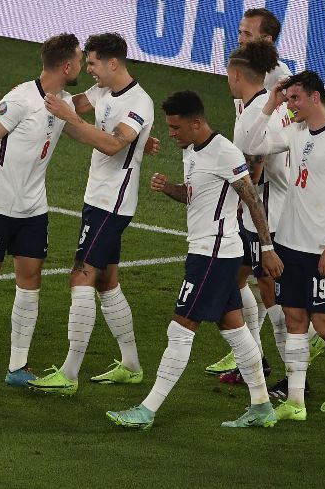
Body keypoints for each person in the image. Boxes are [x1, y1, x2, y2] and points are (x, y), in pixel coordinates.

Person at [106, 91, 283, 430]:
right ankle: (261, 405)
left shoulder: (224, 152)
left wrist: (268, 247)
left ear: (196, 123)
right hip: (211, 252)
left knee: (180, 329)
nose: (171, 134)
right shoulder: (191, 150)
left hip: (213, 255)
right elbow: (195, 195)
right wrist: (169, 188)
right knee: (235, 329)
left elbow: (252, 199)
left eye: (175, 127)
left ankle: (147, 409)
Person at [0, 33, 83, 392]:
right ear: (66, 66)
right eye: (80, 60)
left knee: (30, 283)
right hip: (0, 207)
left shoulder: (64, 103)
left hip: (34, 209)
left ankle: (18, 366)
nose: (84, 66)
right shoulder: (20, 99)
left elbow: (88, 121)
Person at [28, 33, 154, 395]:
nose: (89, 69)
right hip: (96, 197)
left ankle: (69, 374)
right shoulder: (102, 94)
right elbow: (70, 106)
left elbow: (114, 144)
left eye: (94, 63)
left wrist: (70, 117)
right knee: (106, 280)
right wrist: (35, 97)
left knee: (81, 278)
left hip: (112, 205)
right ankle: (131, 365)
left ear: (113, 62)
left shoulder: (138, 102)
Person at [206, 8, 325, 384]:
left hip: (270, 195)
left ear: (268, 40)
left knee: (267, 283)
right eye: (240, 31)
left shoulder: (275, 80)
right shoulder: (248, 75)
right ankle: (253, 357)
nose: (240, 37)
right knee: (237, 276)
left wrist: (253, 166)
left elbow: (275, 132)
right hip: (260, 188)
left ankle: (297, 353)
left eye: (248, 33)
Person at [243, 70, 325, 419]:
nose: (290, 104)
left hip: (323, 250)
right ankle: (296, 401)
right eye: (288, 97)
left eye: (295, 98)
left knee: (324, 326)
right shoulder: (294, 132)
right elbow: (252, 144)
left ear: (315, 97)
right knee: (294, 318)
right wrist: (270, 102)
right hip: (289, 245)